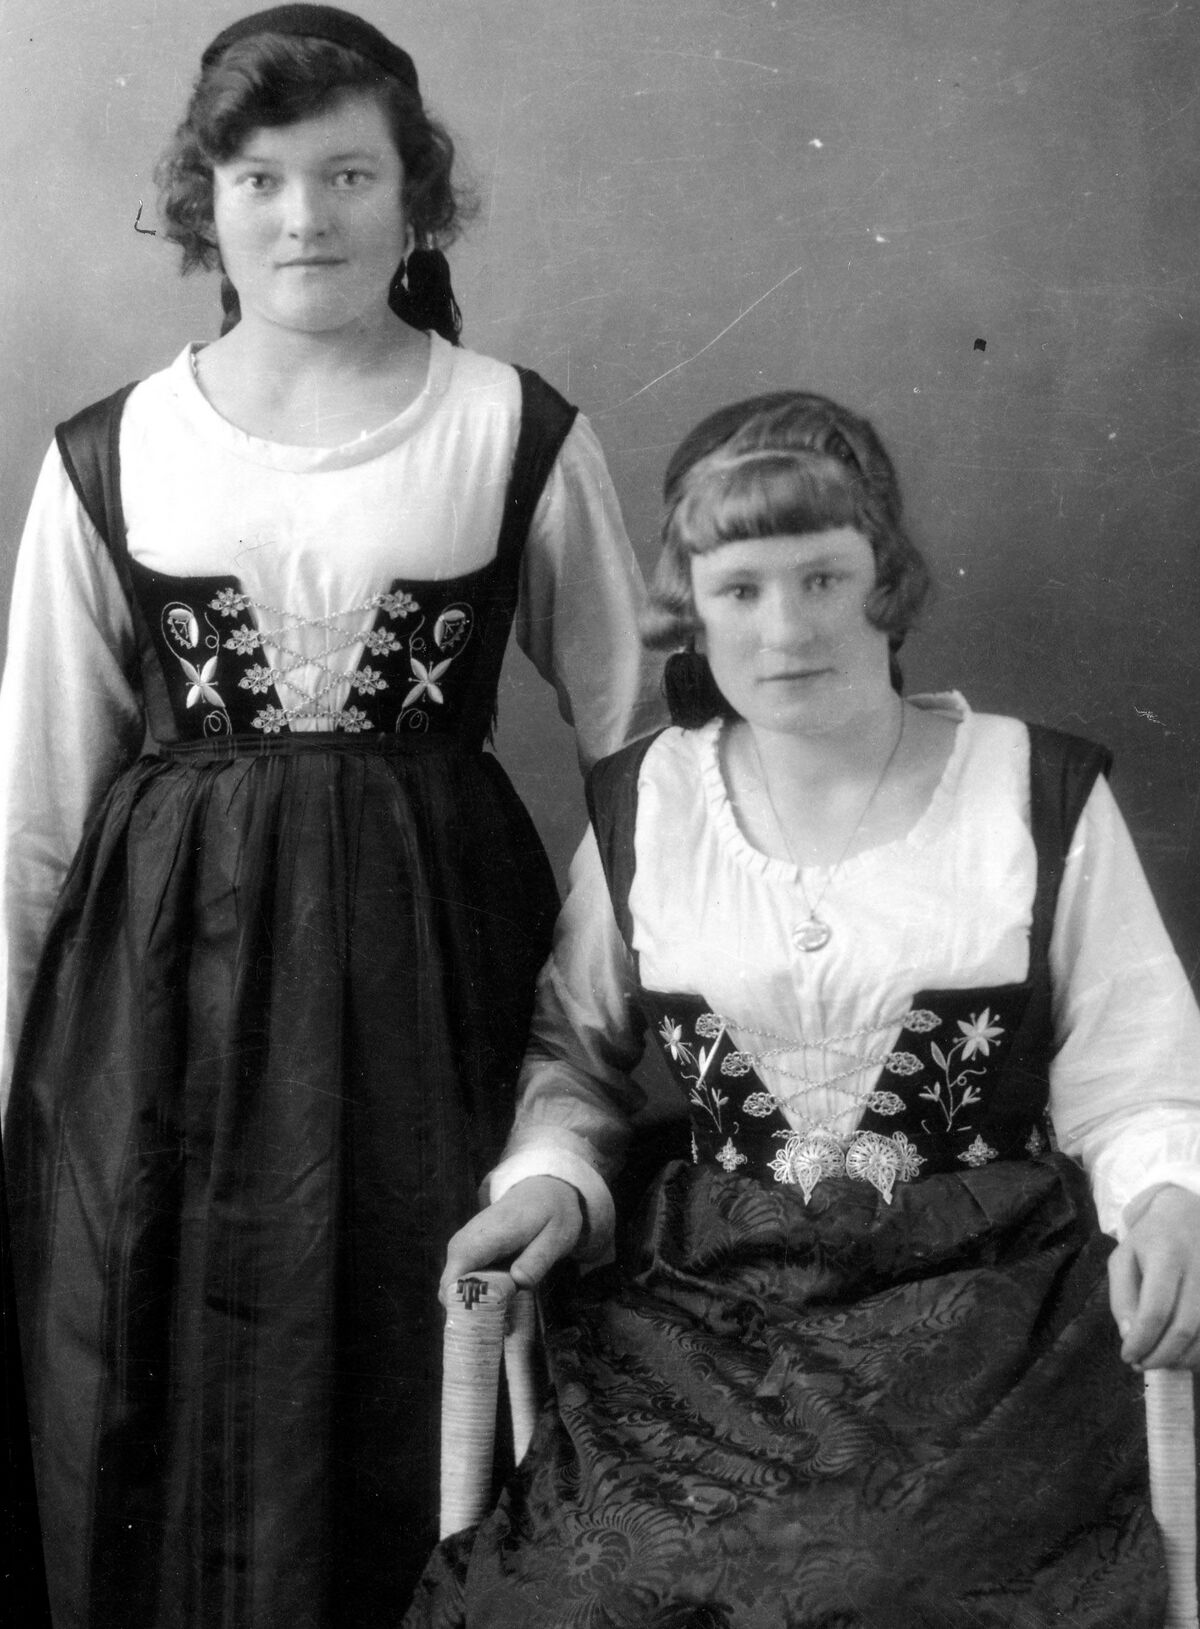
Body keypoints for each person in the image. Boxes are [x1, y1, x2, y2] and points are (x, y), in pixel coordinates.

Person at [0, 8, 661, 1626]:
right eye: (262, 179)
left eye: (350, 175)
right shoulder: (112, 450)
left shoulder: (512, 427)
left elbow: (645, 762)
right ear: (204, 204)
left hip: (437, 989)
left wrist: (590, 1044)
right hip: (164, 1020)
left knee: (425, 1376)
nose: (307, 218)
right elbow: (34, 816)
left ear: (416, 196)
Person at [412, 391, 1200, 1628]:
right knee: (591, 1589)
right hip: (704, 1319)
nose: (786, 630)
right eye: (740, 590)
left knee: (888, 1580)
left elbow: (1137, 1074)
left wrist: (1168, 1195)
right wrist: (550, 1179)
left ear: (887, 579)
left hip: (987, 1318)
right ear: (690, 605)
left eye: (823, 578)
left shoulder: (1031, 788)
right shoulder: (649, 801)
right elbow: (575, 1055)